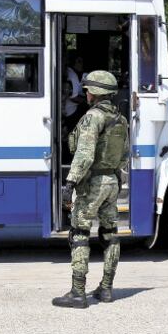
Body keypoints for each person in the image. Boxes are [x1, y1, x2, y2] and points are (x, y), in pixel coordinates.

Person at [52, 70, 130, 308]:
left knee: (79, 233)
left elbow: (84, 155)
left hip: (93, 184)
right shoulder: (121, 119)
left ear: (94, 93)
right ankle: (106, 289)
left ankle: (77, 293)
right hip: (112, 182)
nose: (85, 94)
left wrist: (70, 182)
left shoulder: (92, 117)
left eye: (87, 90)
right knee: (110, 234)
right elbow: (124, 156)